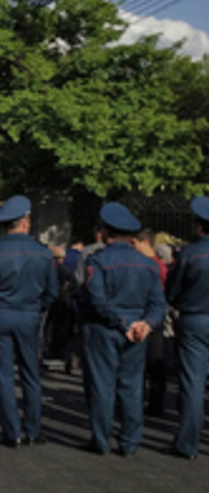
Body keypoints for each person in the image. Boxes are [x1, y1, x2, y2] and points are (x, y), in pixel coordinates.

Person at [0, 196, 59, 447]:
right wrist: (38, 307)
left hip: (0, 313)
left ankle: (12, 432)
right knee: (31, 374)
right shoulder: (42, 252)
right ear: (26, 222)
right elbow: (53, 289)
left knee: (4, 375)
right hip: (29, 314)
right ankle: (33, 429)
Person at [79, 202, 166, 457]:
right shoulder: (149, 264)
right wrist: (146, 324)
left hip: (104, 329)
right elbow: (158, 304)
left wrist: (124, 323)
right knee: (131, 386)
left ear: (106, 232)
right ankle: (130, 441)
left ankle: (101, 439)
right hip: (137, 330)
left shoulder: (98, 260)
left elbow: (97, 300)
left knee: (102, 385)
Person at [167, 196, 209, 459]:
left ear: (199, 226)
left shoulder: (190, 254)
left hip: (195, 319)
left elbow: (172, 290)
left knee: (193, 383)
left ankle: (187, 443)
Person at [132, 228, 170, 418]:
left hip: (144, 316)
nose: (132, 247)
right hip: (155, 317)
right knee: (155, 362)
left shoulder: (151, 266)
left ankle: (142, 401)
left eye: (134, 243)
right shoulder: (160, 266)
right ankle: (155, 402)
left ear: (144, 242)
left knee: (143, 363)